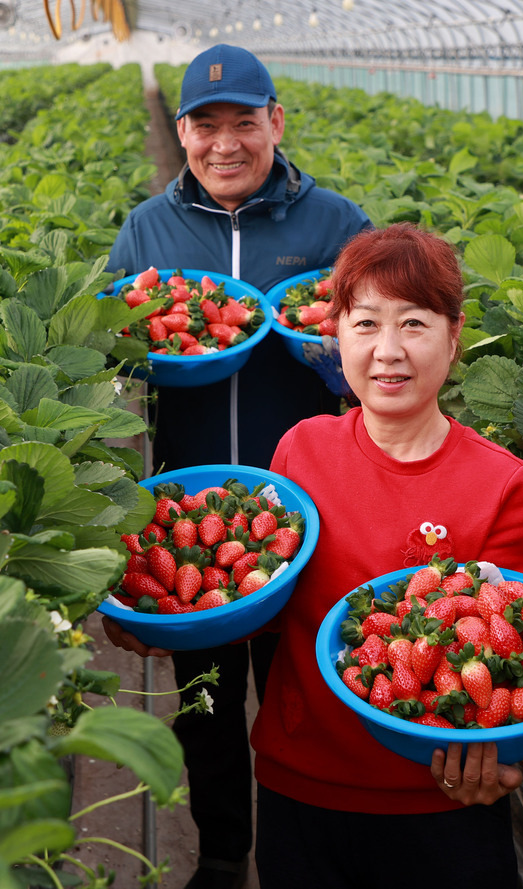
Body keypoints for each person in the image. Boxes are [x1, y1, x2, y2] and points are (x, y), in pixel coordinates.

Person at [103, 43, 373, 889]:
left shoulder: (337, 225)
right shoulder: (148, 229)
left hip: (316, 508)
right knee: (208, 705)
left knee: (311, 701)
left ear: (276, 124)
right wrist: (129, 352)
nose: (226, 143)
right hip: (192, 514)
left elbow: (384, 342)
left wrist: (342, 360)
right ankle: (222, 853)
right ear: (179, 131)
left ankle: (311, 854)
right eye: (206, 124)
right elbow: (110, 344)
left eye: (244, 123)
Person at [250, 222, 523, 889]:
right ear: (336, 333)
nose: (388, 351)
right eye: (365, 324)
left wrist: (500, 761)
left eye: (414, 323)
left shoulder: (506, 487)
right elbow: (269, 607)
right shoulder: (299, 451)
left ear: (455, 333)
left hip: (439, 803)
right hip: (300, 786)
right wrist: (166, 622)